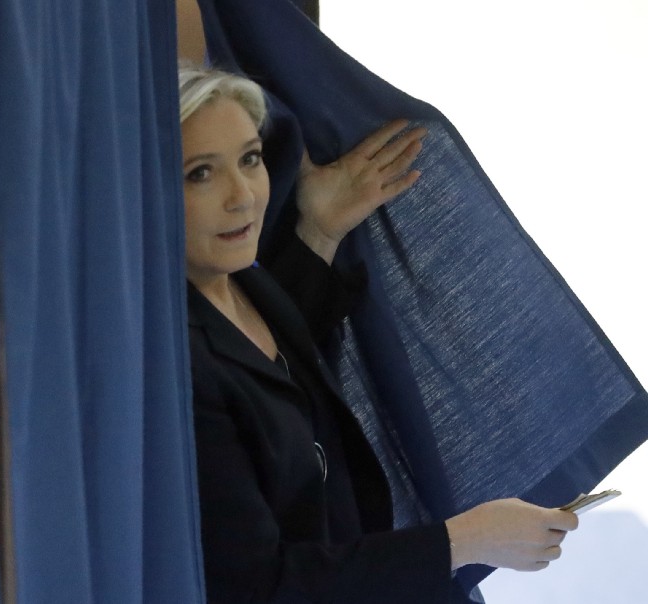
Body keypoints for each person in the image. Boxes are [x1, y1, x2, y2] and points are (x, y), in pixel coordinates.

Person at [180, 64, 579, 603]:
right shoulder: (176, 363)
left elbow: (273, 366)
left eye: (249, 159)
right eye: (200, 173)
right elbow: (264, 586)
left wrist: (319, 228)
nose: (243, 196)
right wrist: (465, 539)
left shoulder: (248, 286)